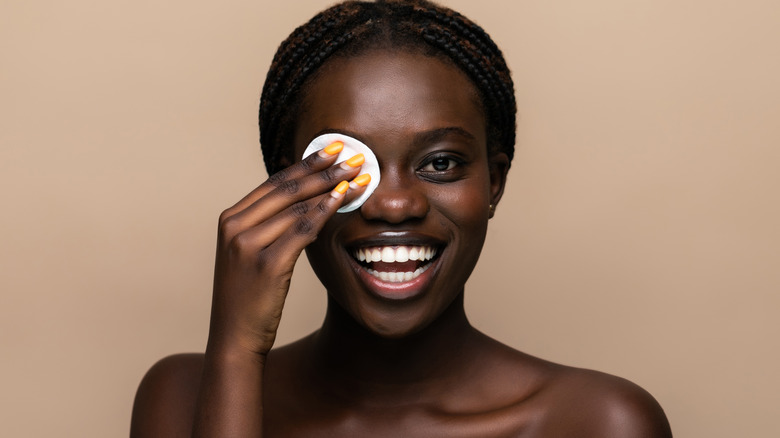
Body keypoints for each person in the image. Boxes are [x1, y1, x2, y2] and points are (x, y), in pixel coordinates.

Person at [130, 1, 673, 436]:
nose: (394, 204)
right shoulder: (185, 396)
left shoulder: (599, 422)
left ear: (494, 184)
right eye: (346, 167)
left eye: (440, 163)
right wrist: (237, 352)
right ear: (286, 189)